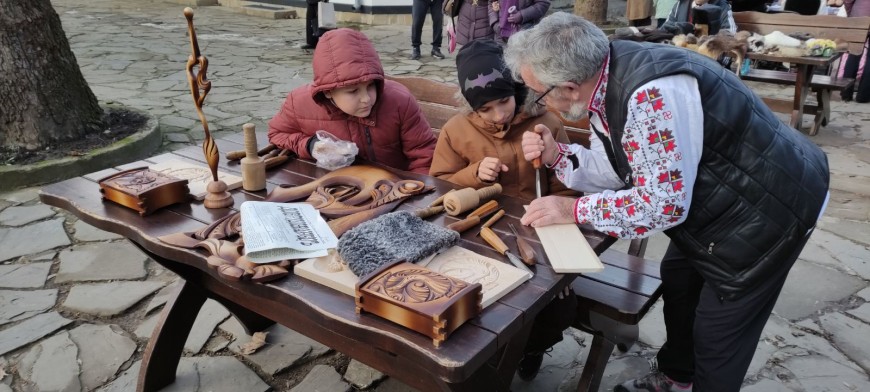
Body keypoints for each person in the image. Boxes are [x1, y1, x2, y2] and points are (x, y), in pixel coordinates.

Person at [505, 12, 830, 391]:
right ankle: (678, 377)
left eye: (538, 92)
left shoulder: (649, 96)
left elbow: (662, 204)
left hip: (772, 210)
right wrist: (557, 156)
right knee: (679, 281)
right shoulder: (604, 73)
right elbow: (619, 167)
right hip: (717, 203)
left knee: (718, 335)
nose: (534, 102)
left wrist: (573, 209)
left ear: (571, 86)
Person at [268, 28, 437, 175]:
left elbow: (425, 155)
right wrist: (310, 145)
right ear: (327, 92)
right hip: (332, 188)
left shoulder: (399, 101)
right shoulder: (299, 103)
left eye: (371, 86)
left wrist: (412, 192)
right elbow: (277, 134)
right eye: (353, 91)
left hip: (395, 188)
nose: (366, 99)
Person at [430, 39, 576, 201]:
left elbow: (567, 189)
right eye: (485, 109)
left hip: (539, 218)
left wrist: (555, 209)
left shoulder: (547, 125)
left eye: (504, 101)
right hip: (479, 218)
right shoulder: (455, 131)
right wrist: (475, 174)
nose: (499, 115)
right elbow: (440, 186)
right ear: (472, 107)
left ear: (516, 89)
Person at [841, 0, 870, 102]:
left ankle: (846, 93)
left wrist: (851, 15)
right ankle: (863, 96)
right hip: (860, 16)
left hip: (860, 17)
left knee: (853, 55)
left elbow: (848, 1)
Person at [660, 0, 737, 35]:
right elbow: (664, 29)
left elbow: (731, 33)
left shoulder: (722, 6)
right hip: (679, 55)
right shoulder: (680, 5)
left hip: (706, 58)